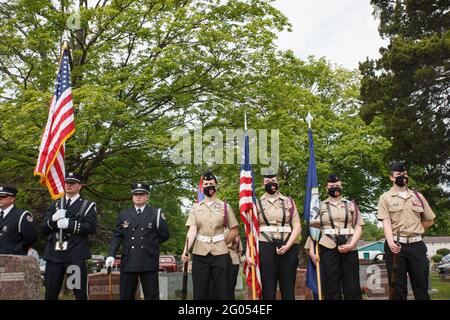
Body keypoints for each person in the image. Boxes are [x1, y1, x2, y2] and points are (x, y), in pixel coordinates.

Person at [378, 162, 435, 300]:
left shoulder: (418, 196)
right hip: (396, 246)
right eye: (398, 175)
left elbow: (429, 220)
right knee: (398, 289)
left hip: (417, 246)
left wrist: (416, 230)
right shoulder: (385, 197)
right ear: (391, 177)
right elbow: (386, 221)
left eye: (404, 174)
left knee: (421, 286)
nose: (402, 177)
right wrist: (391, 242)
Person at [106, 183, 170, 300]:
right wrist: (111, 255)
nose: (138, 196)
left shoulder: (155, 214)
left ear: (147, 197)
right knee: (126, 295)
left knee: (151, 296)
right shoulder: (124, 214)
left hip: (148, 260)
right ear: (132, 196)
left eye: (141, 194)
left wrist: (150, 244)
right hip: (129, 260)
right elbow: (117, 236)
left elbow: (165, 234)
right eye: (136, 194)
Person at [182, 171, 239, 300]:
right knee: (200, 291)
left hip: (220, 253)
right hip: (200, 253)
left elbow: (234, 229)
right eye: (206, 184)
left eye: (211, 183)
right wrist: (185, 250)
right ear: (202, 187)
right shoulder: (196, 207)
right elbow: (192, 230)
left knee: (221, 291)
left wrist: (224, 242)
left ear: (216, 185)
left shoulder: (225, 207)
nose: (209, 186)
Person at [41, 172, 97, 300]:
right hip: (54, 255)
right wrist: (54, 219)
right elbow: (44, 228)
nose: (68, 185)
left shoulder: (87, 205)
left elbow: (91, 228)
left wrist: (70, 224)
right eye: (67, 182)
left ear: (80, 186)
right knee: (50, 292)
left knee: (78, 291)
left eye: (72, 183)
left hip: (74, 255)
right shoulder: (56, 204)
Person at [309, 173, 364, 300]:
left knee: (352, 285)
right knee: (331, 284)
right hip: (328, 246)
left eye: (337, 185)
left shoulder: (351, 205)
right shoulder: (319, 206)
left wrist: (351, 244)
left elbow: (358, 226)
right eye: (332, 185)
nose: (335, 187)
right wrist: (312, 250)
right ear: (326, 188)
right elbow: (314, 229)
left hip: (349, 245)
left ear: (341, 186)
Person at [257, 170, 301, 300]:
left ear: (278, 182)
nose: (271, 183)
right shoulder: (256, 203)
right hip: (265, 245)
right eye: (268, 181)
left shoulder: (289, 202)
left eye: (273, 181)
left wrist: (288, 246)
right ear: (263, 184)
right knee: (268, 287)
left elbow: (297, 225)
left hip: (288, 245)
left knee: (288, 287)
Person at [0, 186, 37, 255]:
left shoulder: (22, 215)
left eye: (3, 196)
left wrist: (17, 249)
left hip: (13, 259)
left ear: (12, 199)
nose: (0, 199)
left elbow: (31, 238)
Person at [226, 228, 243, 300]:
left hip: (234, 261)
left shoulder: (236, 233)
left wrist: (236, 257)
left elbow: (240, 250)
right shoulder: (219, 230)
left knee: (231, 286)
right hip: (221, 258)